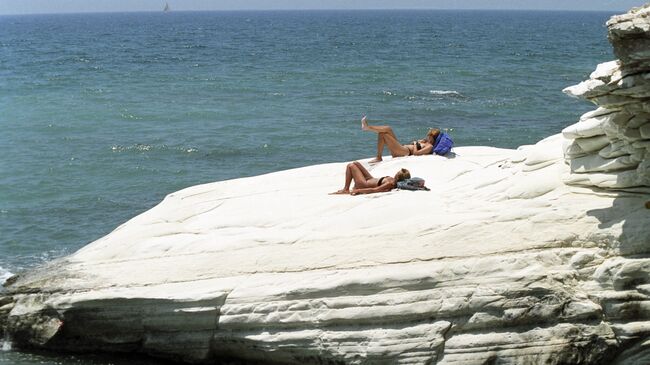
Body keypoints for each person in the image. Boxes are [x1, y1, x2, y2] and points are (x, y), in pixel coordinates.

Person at [361, 115, 441, 163]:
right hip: (402, 148)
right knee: (387, 129)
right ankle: (367, 127)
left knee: (383, 134)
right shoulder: (426, 142)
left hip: (404, 152)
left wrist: (416, 144)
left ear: (433, 137)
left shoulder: (430, 146)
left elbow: (416, 153)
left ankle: (379, 157)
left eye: (429, 136)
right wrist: (421, 141)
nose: (428, 137)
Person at [330, 161, 410, 195]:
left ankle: (346, 189)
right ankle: (346, 188)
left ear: (398, 177)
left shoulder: (390, 183)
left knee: (350, 166)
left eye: (397, 173)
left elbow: (374, 190)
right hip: (369, 179)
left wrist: (358, 190)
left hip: (364, 184)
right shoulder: (392, 180)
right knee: (356, 163)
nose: (395, 173)